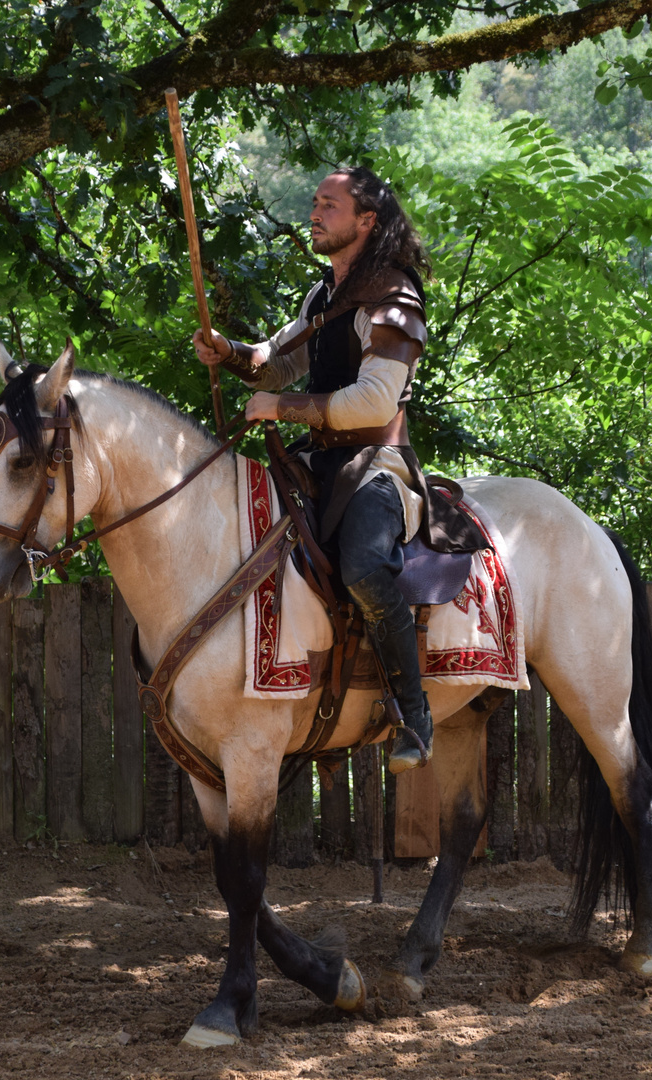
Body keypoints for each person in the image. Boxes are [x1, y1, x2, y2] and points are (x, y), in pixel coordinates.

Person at [193, 167, 485, 774]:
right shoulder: (322, 296)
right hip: (316, 462)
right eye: (315, 202)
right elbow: (277, 362)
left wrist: (284, 408)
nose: (316, 213)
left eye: (331, 204)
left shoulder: (394, 300)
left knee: (364, 566)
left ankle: (413, 713)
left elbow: (376, 403)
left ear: (366, 221)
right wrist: (233, 354)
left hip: (376, 464)